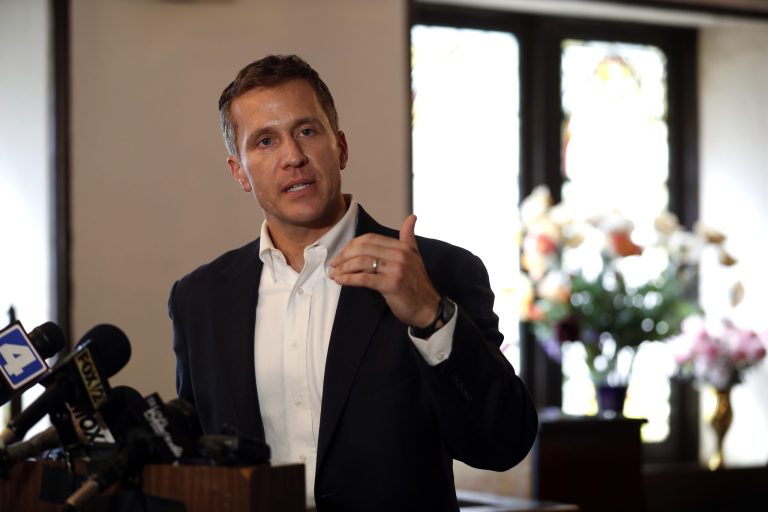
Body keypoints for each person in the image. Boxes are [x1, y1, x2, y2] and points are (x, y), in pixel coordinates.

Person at [169, 54, 537, 512]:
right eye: (265, 141)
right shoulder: (199, 298)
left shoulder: (440, 270)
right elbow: (192, 457)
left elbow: (501, 444)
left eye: (307, 131)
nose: (293, 157)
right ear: (239, 171)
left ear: (340, 146)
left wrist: (431, 315)